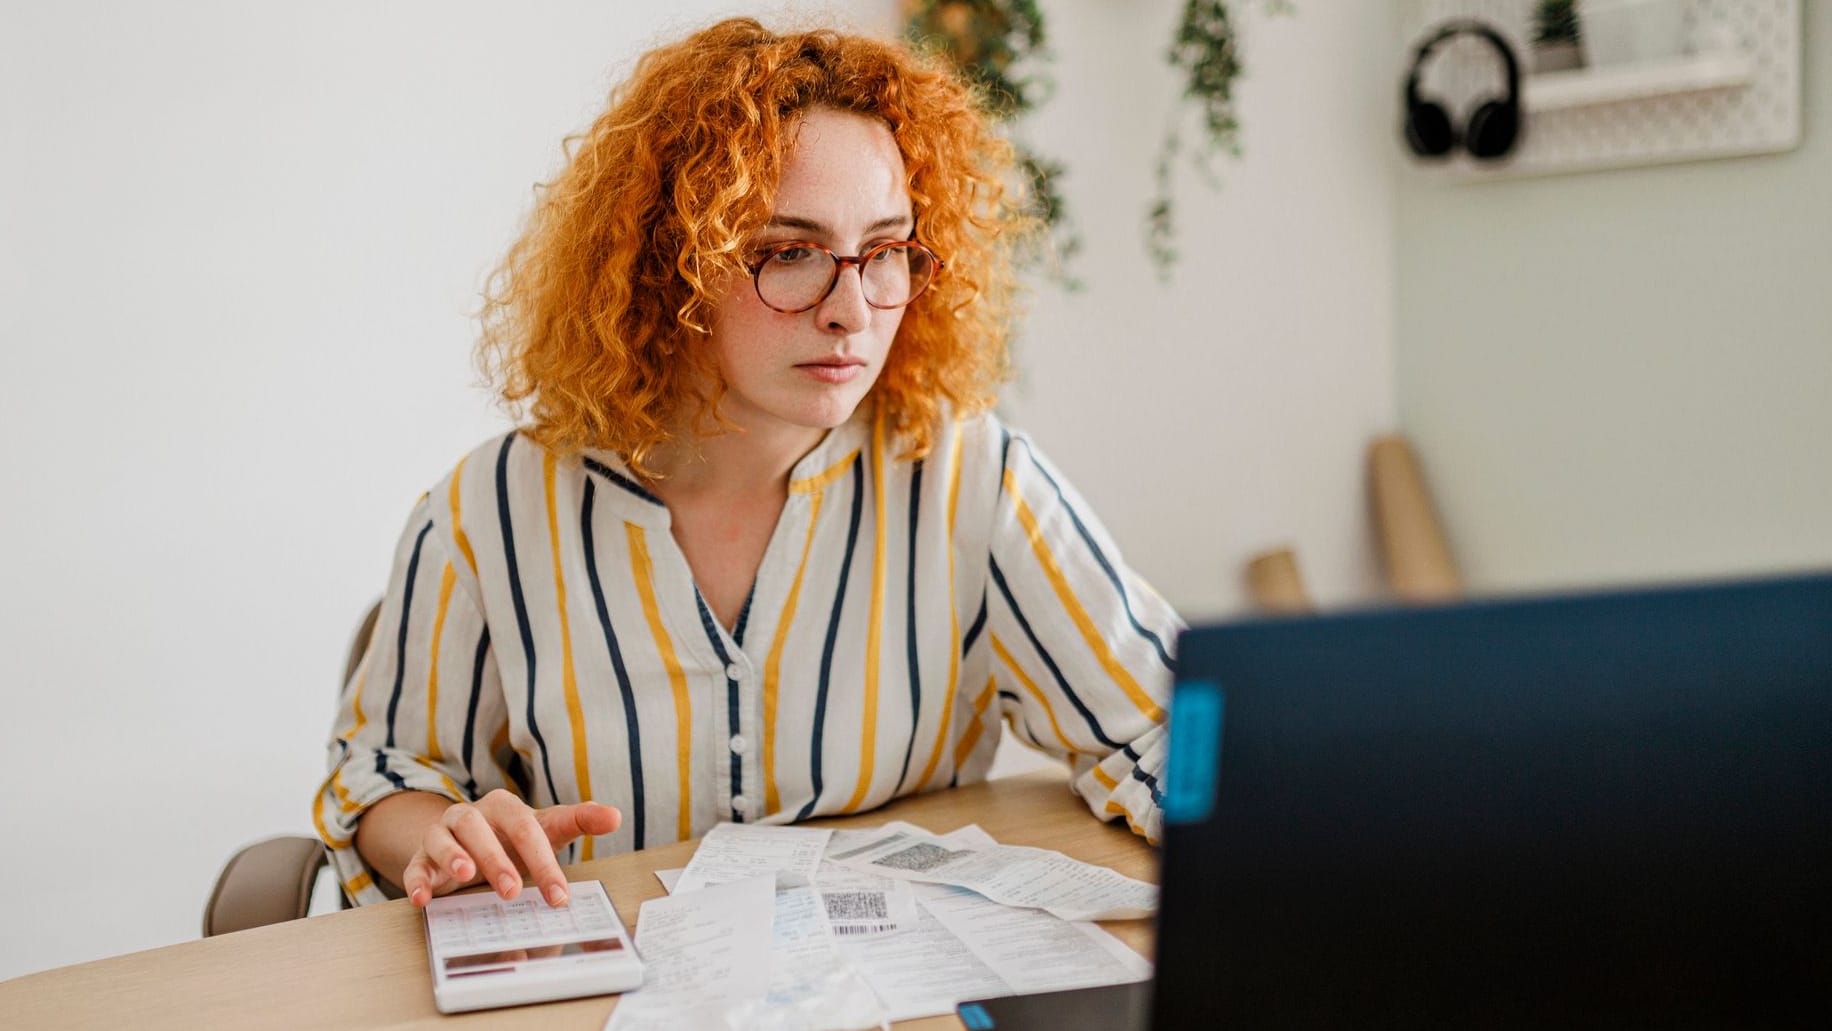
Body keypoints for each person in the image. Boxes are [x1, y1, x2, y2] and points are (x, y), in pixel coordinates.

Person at [315, 17, 1181, 911]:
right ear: (671, 264)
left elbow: (1165, 728)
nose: (852, 309)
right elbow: (381, 776)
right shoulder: (488, 512)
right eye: (789, 252)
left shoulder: (969, 479)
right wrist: (440, 830)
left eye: (885, 252)